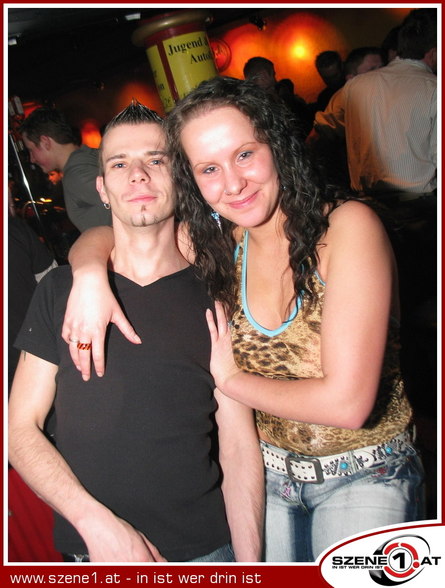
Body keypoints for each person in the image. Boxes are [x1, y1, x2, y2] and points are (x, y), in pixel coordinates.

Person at [61, 78, 425, 563]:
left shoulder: (347, 227)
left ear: (276, 146)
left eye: (245, 155)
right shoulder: (222, 244)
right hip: (271, 478)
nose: (232, 184)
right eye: (209, 169)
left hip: (366, 473)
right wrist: (88, 275)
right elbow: (122, 233)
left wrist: (231, 380)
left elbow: (348, 404)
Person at [8, 101, 263, 563]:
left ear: (180, 179)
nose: (138, 176)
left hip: (205, 551)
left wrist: (249, 567)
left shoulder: (216, 294)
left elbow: (238, 445)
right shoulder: (62, 290)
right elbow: (18, 429)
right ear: (102, 189)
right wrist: (94, 523)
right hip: (94, 553)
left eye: (155, 160)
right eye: (120, 164)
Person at [20, 107, 112, 232]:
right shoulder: (89, 156)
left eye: (31, 150)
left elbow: (124, 205)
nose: (32, 159)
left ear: (45, 142)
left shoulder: (76, 174)